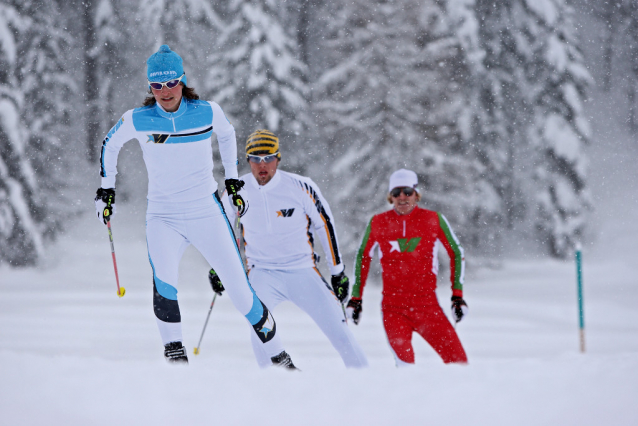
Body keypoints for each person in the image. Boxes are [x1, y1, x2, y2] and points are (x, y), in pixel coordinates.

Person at [94, 45, 295, 368]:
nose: (164, 92)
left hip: (205, 212)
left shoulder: (207, 112)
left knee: (242, 293)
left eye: (170, 83)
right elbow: (110, 143)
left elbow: (227, 134)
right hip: (163, 217)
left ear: (182, 81)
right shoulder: (138, 120)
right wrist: (106, 189)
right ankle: (176, 360)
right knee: (164, 284)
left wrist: (231, 180)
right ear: (150, 88)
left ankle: (281, 359)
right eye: (156, 86)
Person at [210, 129, 368, 368]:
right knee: (260, 333)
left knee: (341, 333)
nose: (262, 165)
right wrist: (218, 269)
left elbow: (325, 226)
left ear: (278, 158)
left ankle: (366, 383)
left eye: (268, 158)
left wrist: (337, 272)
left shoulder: (301, 187)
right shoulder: (236, 190)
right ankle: (276, 386)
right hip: (262, 273)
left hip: (302, 270)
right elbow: (220, 230)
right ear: (248, 160)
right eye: (255, 159)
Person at [346, 168, 468, 366]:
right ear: (390, 197)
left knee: (460, 364)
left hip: (428, 308)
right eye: (396, 193)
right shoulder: (378, 222)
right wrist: (356, 298)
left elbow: (456, 252)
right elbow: (363, 256)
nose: (402, 197)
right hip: (394, 310)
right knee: (405, 371)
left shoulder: (433, 219)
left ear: (416, 194)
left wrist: (457, 296)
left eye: (407, 192)